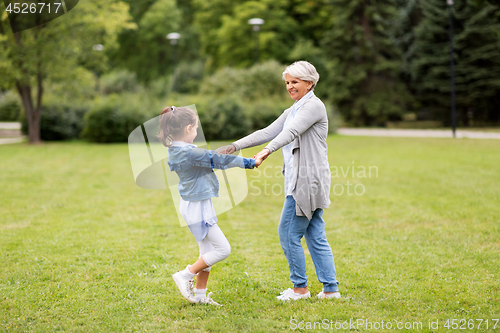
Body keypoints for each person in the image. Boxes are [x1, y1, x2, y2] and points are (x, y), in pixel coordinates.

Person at [217, 61, 340, 301]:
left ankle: (300, 289)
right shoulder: (295, 108)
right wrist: (235, 145)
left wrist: (266, 151)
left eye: (295, 82)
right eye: (287, 82)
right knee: (315, 233)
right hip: (304, 178)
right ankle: (330, 289)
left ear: (309, 83)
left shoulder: (313, 106)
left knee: (287, 233)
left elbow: (289, 133)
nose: (290, 86)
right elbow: (268, 130)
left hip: (306, 181)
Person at [157, 106, 256, 305]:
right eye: (195, 128)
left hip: (194, 204)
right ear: (187, 128)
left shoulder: (177, 150)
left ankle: (201, 297)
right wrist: (248, 162)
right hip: (197, 208)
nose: (196, 132)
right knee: (223, 250)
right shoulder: (189, 152)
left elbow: (211, 159)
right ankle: (185, 275)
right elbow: (218, 160)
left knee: (207, 253)